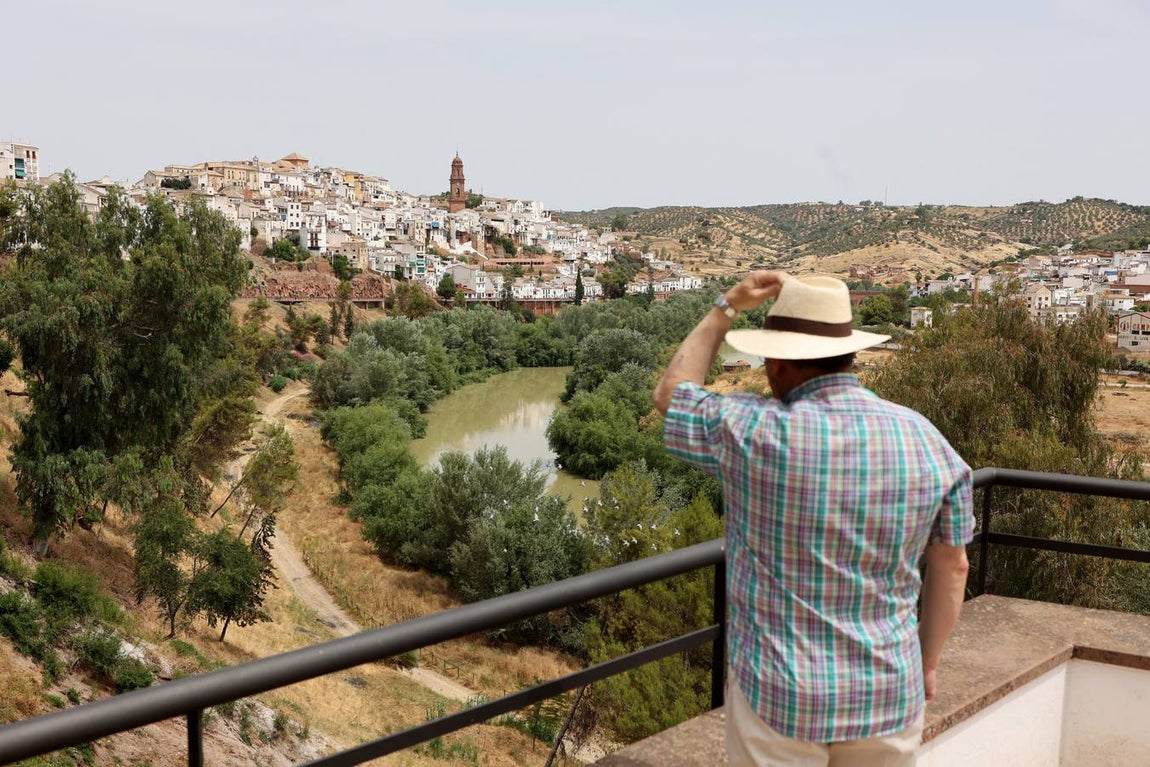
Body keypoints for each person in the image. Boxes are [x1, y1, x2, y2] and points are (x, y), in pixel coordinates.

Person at [654, 271, 974, 767]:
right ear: (848, 353)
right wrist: (926, 663)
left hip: (779, 697)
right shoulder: (927, 441)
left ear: (778, 362)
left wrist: (726, 306)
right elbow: (953, 566)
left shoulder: (751, 430)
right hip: (888, 694)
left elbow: (671, 392)